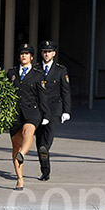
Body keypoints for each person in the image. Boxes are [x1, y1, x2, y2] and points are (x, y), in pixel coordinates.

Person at [7, 44, 46, 188]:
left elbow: (42, 96)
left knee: (28, 131)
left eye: (27, 54)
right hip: (15, 113)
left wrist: (46, 114)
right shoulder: (11, 73)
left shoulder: (38, 74)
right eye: (22, 54)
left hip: (32, 111)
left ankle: (23, 153)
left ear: (32, 57)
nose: (24, 56)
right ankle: (20, 178)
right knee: (16, 145)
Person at [35, 40, 71, 181]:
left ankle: (45, 147)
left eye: (49, 51)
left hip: (54, 108)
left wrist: (66, 111)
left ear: (54, 54)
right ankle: (45, 172)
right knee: (39, 142)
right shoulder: (36, 69)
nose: (46, 54)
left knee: (46, 139)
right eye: (44, 51)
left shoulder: (61, 70)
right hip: (39, 109)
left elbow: (65, 91)